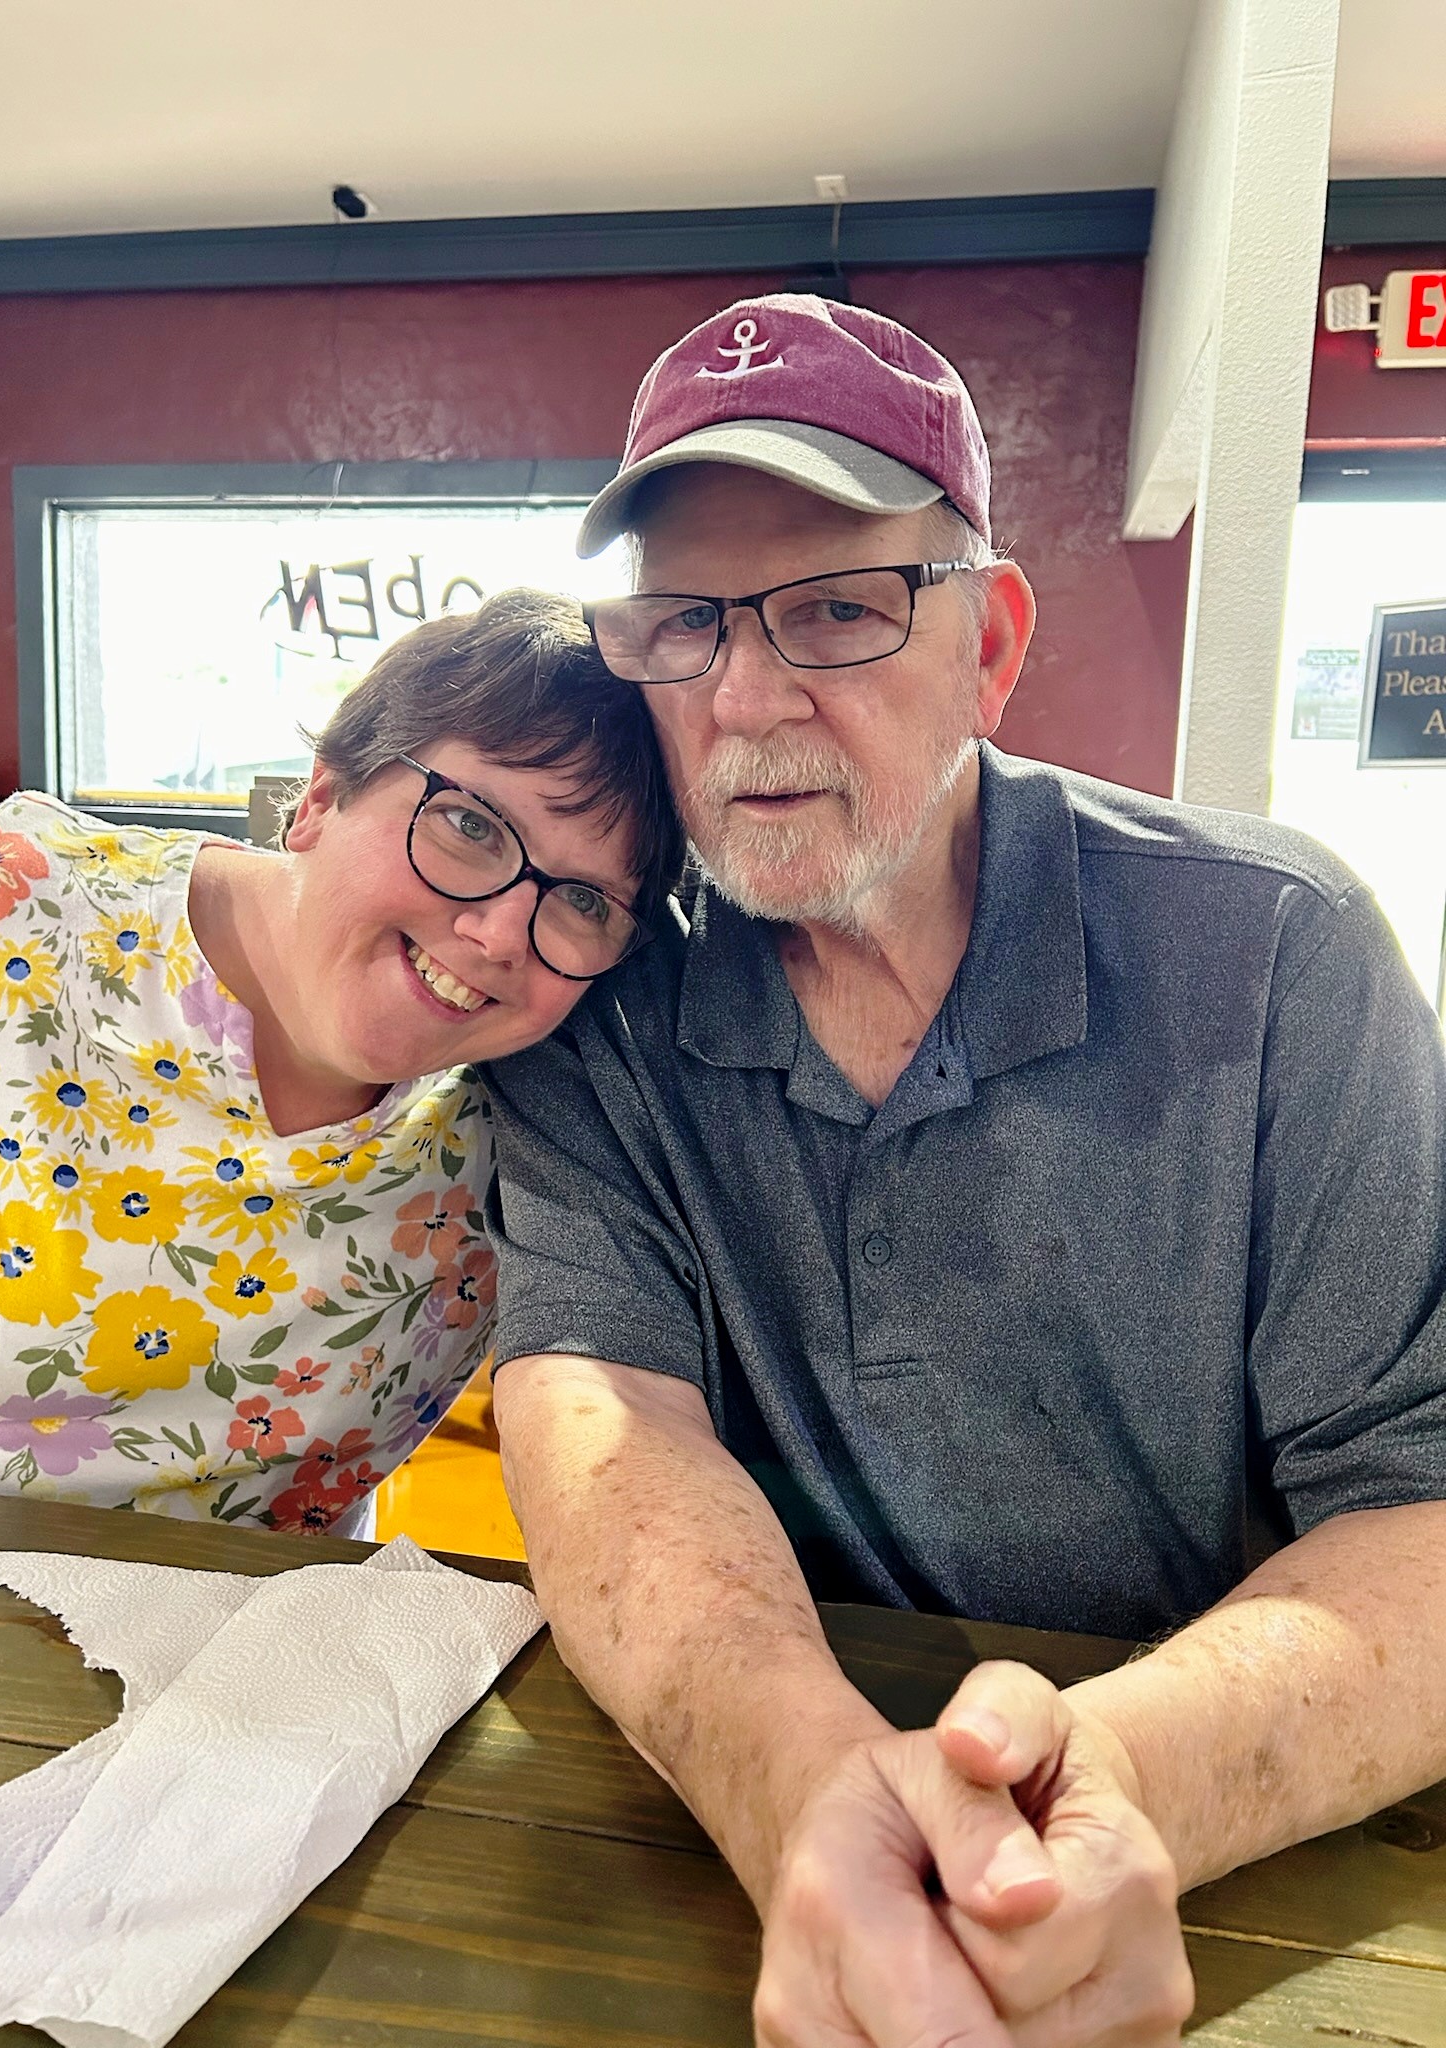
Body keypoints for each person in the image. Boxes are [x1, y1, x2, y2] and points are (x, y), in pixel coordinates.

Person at [480, 297, 1446, 2045]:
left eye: (839, 607)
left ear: (988, 643)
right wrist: (806, 1799)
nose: (744, 698)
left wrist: (1103, 1789)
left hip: (1231, 1864)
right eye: (681, 623)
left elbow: (1424, 1505)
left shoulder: (1276, 956)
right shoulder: (593, 988)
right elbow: (604, 1425)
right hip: (723, 1860)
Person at [0, 589, 681, 1535]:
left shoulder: (547, 1102)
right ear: (320, 798)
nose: (499, 934)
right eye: (472, 826)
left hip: (255, 1621)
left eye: (586, 901)